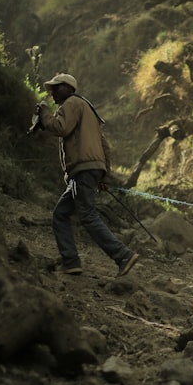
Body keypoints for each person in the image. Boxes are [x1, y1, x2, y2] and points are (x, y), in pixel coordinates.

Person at [37, 73, 139, 277]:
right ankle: (71, 262)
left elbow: (60, 128)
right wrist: (103, 174)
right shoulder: (88, 110)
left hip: (81, 170)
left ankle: (123, 255)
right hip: (90, 170)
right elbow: (104, 145)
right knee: (61, 214)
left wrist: (45, 115)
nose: (53, 92)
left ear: (67, 88)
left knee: (88, 216)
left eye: (56, 88)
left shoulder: (71, 103)